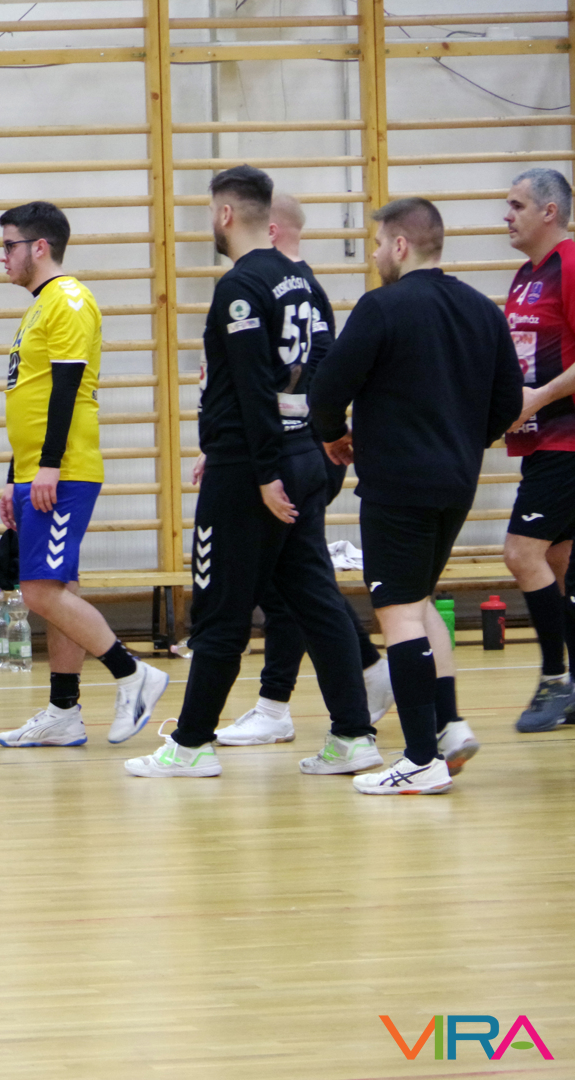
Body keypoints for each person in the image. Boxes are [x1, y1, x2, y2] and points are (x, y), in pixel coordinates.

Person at [126, 165, 375, 780]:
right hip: (301, 457)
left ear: (227, 214)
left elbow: (252, 387)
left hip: (253, 474)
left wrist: (262, 470)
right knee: (315, 600)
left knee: (219, 609)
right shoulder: (305, 282)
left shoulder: (240, 285)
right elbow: (323, 373)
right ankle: (353, 736)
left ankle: (190, 746)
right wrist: (312, 441)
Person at [311, 198, 522, 793]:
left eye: (379, 243)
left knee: (398, 611)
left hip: (398, 484)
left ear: (400, 246)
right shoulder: (482, 310)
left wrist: (332, 435)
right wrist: (464, 442)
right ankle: (448, 727)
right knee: (418, 600)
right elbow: (508, 402)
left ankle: (420, 759)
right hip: (456, 482)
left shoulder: (383, 306)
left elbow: (327, 390)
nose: (376, 254)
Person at [0, 201, 170, 750]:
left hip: (61, 471)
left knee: (39, 591)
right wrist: (15, 475)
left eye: (9, 246)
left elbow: (66, 390)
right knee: (58, 586)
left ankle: (133, 674)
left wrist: (48, 467)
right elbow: (31, 397)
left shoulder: (68, 300)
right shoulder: (39, 307)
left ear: (39, 247)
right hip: (37, 470)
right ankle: (64, 711)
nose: (3, 257)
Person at [214, 191, 393, 746]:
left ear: (268, 229)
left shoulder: (266, 286)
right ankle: (357, 679)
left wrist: (265, 456)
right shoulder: (305, 289)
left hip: (294, 450)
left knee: (291, 584)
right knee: (298, 580)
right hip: (299, 447)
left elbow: (277, 386)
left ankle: (280, 703)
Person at [499, 169, 575, 732]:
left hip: (567, 441)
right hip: (540, 441)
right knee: (556, 563)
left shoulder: (570, 265)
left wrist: (540, 397)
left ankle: (554, 678)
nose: (507, 216)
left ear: (550, 211)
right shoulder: (527, 275)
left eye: (517, 205)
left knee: (521, 553)